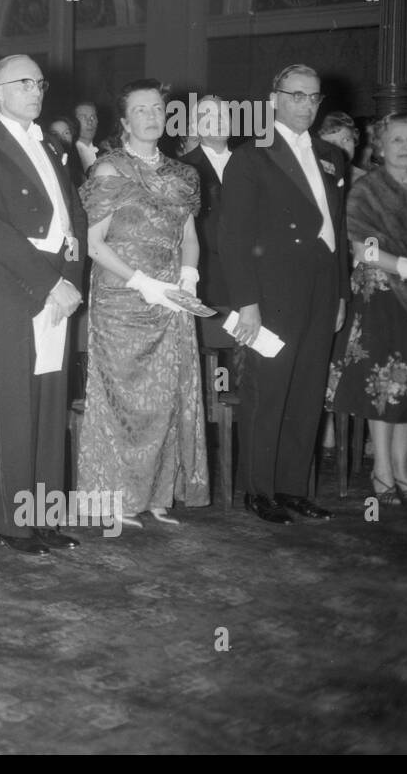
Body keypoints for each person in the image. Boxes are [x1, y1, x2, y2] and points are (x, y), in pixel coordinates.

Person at [0, 54, 86, 555]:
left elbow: (74, 217)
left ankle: (47, 516)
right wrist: (50, 283)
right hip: (14, 288)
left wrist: (70, 282)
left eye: (39, 83)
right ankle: (13, 524)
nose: (35, 91)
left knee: (51, 403)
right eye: (23, 83)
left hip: (57, 286)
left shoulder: (53, 145)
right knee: (14, 403)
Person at [219, 64, 349, 524]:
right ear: (274, 98)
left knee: (308, 390)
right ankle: (260, 490)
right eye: (297, 96)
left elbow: (339, 231)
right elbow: (232, 237)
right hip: (272, 289)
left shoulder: (332, 156)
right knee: (268, 389)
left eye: (314, 98)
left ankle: (294, 488)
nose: (307, 106)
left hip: (321, 284)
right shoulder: (252, 156)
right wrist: (246, 302)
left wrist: (340, 294)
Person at [77, 80, 209, 528]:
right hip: (122, 296)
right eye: (141, 110)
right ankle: (115, 498)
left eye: (159, 109)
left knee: (166, 397)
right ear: (124, 121)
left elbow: (189, 237)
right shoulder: (109, 170)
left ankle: (156, 495)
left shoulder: (183, 174)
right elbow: (94, 244)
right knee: (124, 400)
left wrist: (187, 275)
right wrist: (141, 282)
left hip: (170, 298)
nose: (153, 117)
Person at [326, 113, 407, 506]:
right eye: (396, 139)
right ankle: (382, 471)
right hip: (382, 295)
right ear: (380, 147)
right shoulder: (365, 188)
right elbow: (359, 248)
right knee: (385, 384)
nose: (405, 146)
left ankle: (403, 471)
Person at [179, 95, 233, 308]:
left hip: (247, 277)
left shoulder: (252, 163)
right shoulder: (181, 168)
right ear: (195, 125)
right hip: (204, 276)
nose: (218, 120)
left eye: (222, 115)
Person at [318, 111, 368, 183]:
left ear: (354, 139)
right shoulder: (311, 179)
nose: (340, 148)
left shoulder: (367, 181)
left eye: (345, 140)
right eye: (331, 143)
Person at [74, 101, 100, 174]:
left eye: (93, 117)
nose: (89, 122)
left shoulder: (105, 153)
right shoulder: (70, 156)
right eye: (83, 117)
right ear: (74, 122)